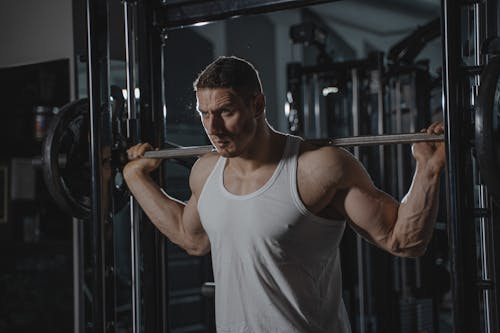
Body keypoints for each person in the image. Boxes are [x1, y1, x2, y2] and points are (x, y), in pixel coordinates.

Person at [123, 56, 446, 333]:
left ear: (257, 104)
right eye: (204, 114)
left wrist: (428, 170)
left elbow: (402, 241)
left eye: (225, 111)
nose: (214, 128)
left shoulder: (318, 169)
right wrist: (134, 177)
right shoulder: (205, 171)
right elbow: (191, 237)